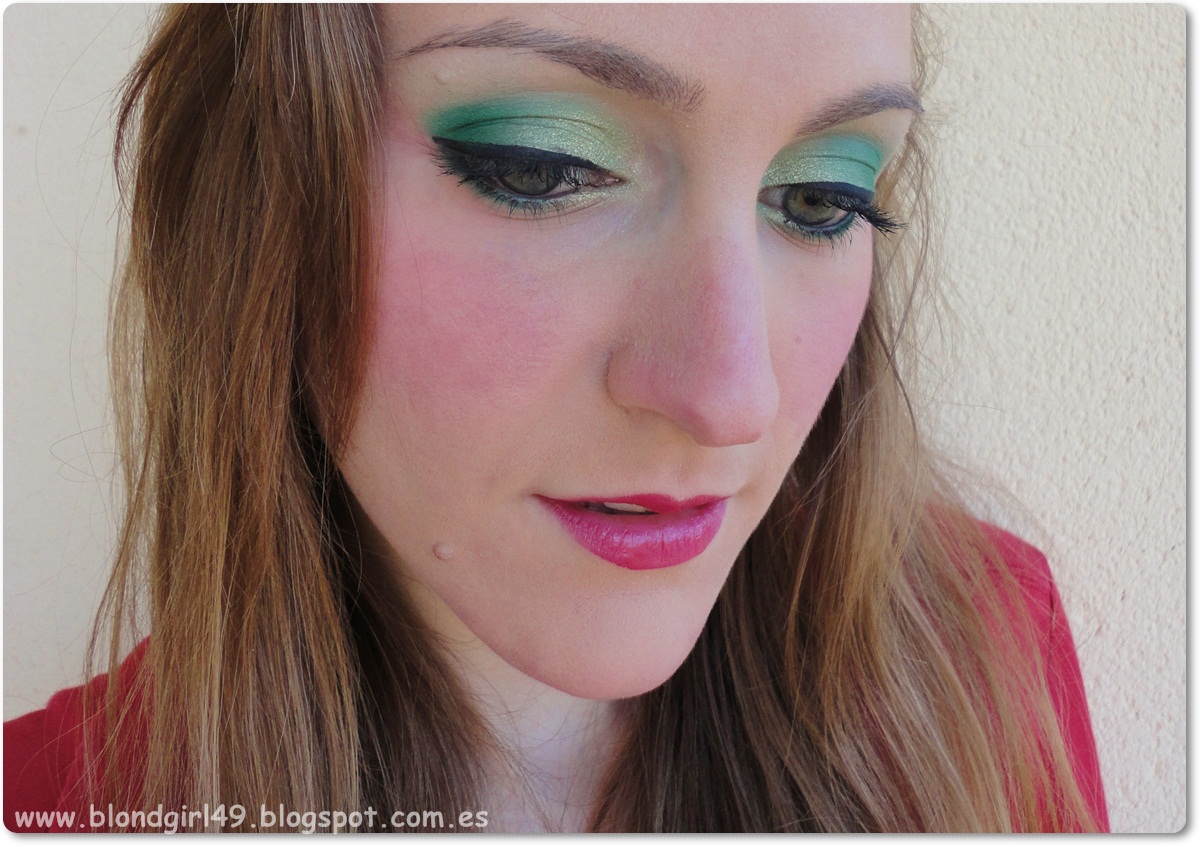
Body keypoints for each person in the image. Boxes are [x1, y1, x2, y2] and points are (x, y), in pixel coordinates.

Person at [4, 4, 1108, 832]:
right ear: (249, 202)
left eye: (822, 198)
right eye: (543, 167)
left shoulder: (986, 656)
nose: (731, 399)